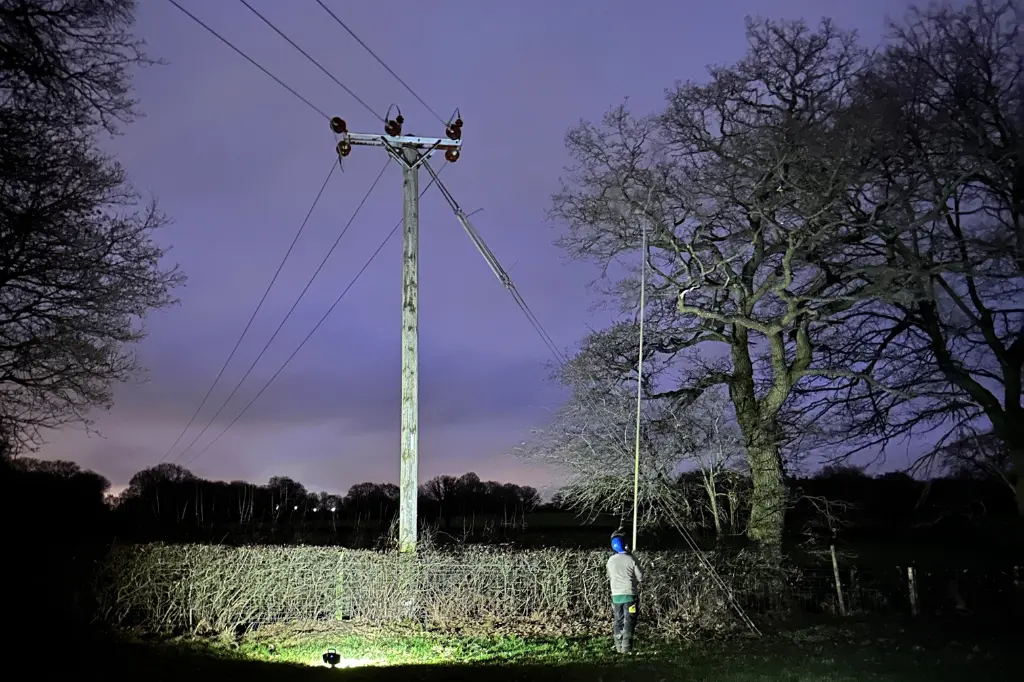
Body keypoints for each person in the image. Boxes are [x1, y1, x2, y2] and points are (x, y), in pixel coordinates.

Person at [606, 532, 643, 654]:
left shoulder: (610, 560)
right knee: (629, 620)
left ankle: (618, 646)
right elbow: (641, 577)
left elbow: (609, 576)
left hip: (616, 596)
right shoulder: (631, 559)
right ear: (625, 544)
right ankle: (626, 648)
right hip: (630, 595)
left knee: (618, 620)